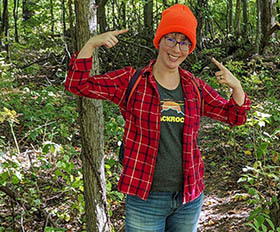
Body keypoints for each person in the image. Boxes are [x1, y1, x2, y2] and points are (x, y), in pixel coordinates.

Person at [65, 4, 251, 232]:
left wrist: (237, 87)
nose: (176, 49)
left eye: (184, 42)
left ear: (190, 48)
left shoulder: (194, 87)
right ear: (159, 41)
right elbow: (78, 84)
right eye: (171, 39)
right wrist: (91, 44)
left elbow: (235, 117)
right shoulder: (131, 81)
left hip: (188, 198)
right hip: (146, 199)